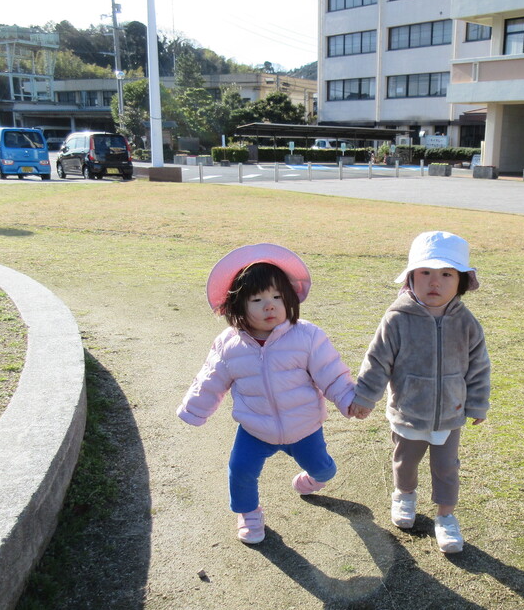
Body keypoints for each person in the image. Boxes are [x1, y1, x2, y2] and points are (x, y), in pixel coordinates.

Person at [177, 244, 356, 544]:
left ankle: (314, 480)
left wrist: (349, 401)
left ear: (289, 298)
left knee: (324, 468)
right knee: (240, 471)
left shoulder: (307, 336)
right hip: (255, 428)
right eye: (257, 299)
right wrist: (194, 409)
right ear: (238, 305)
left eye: (276, 297)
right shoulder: (229, 345)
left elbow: (332, 373)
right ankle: (248, 513)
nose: (269, 306)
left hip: (304, 427)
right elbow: (209, 379)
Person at [349, 231, 491, 554]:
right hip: (409, 411)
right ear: (411, 276)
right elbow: (377, 360)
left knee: (447, 468)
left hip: (450, 414)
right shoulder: (397, 318)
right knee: (405, 461)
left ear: (462, 281)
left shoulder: (467, 323)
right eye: (425, 272)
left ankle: (446, 516)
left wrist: (478, 403)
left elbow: (479, 366)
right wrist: (365, 397)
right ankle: (404, 494)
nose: (434, 282)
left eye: (446, 274)